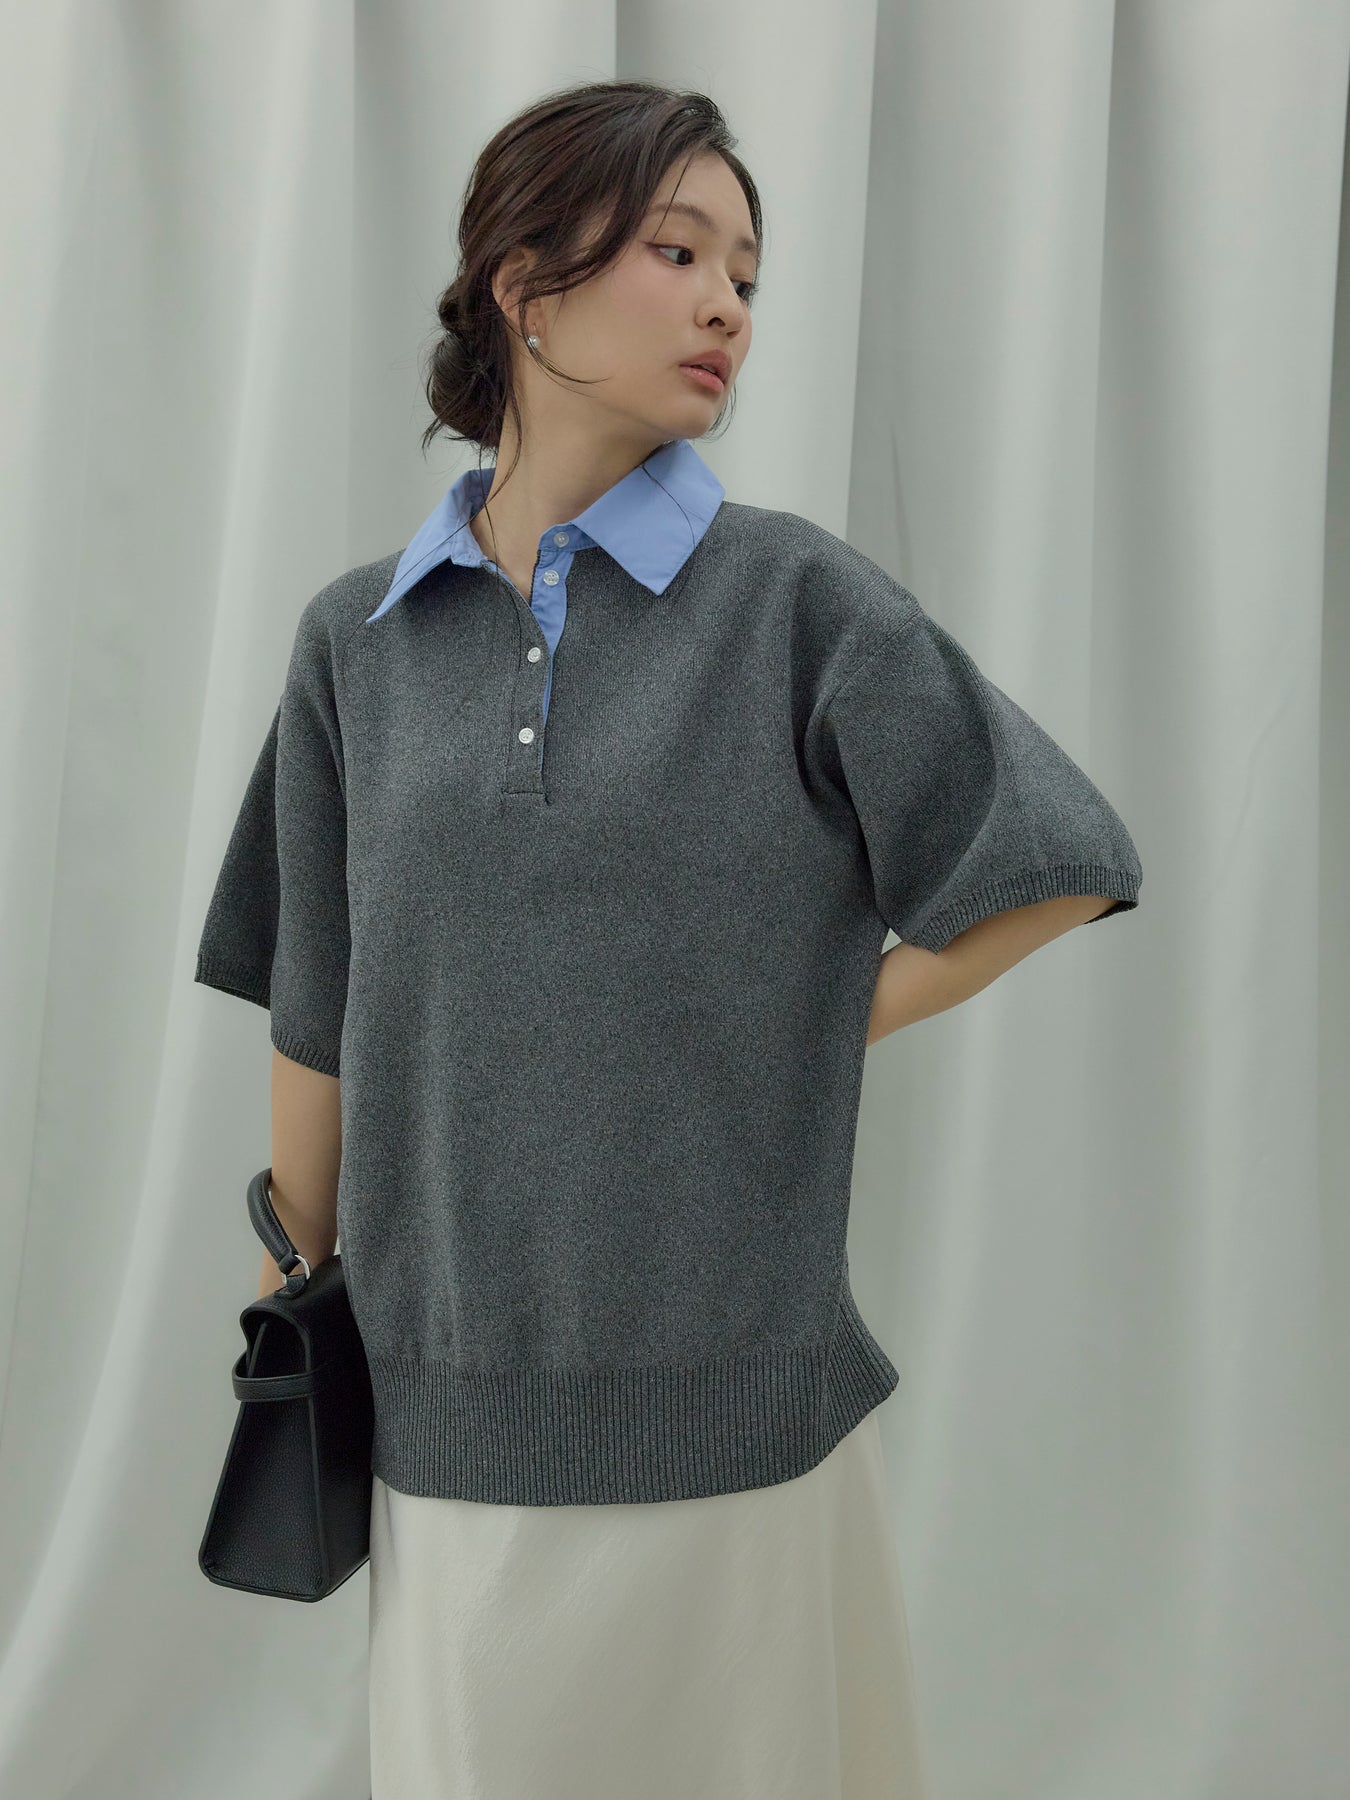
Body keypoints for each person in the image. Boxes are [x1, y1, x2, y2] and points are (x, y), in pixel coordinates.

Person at [195, 77, 1141, 1800]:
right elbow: (318, 1003)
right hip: (447, 1388)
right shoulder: (357, 643)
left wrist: (789, 1008)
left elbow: (1055, 859)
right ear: (525, 285)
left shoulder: (793, 600)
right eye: (678, 252)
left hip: (733, 1392)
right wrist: (291, 1284)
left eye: (746, 276)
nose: (727, 308)